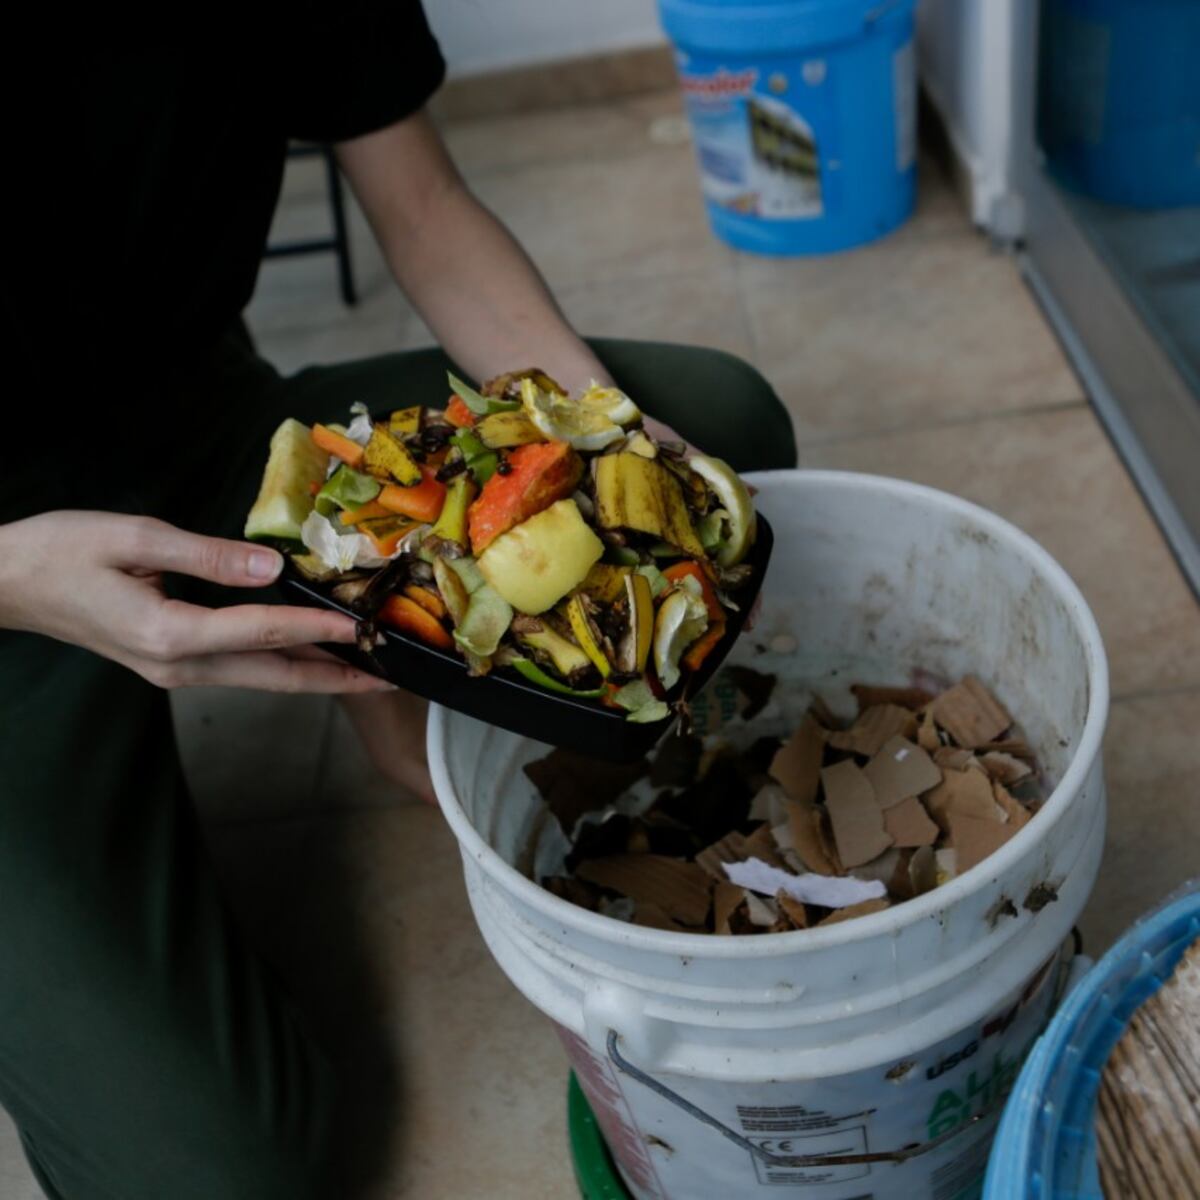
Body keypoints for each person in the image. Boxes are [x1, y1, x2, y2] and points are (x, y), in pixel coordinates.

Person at [0, 10, 796, 1199]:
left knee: (714, 434)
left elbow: (422, 207)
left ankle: (364, 651)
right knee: (219, 1173)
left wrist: (615, 447)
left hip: (202, 427)